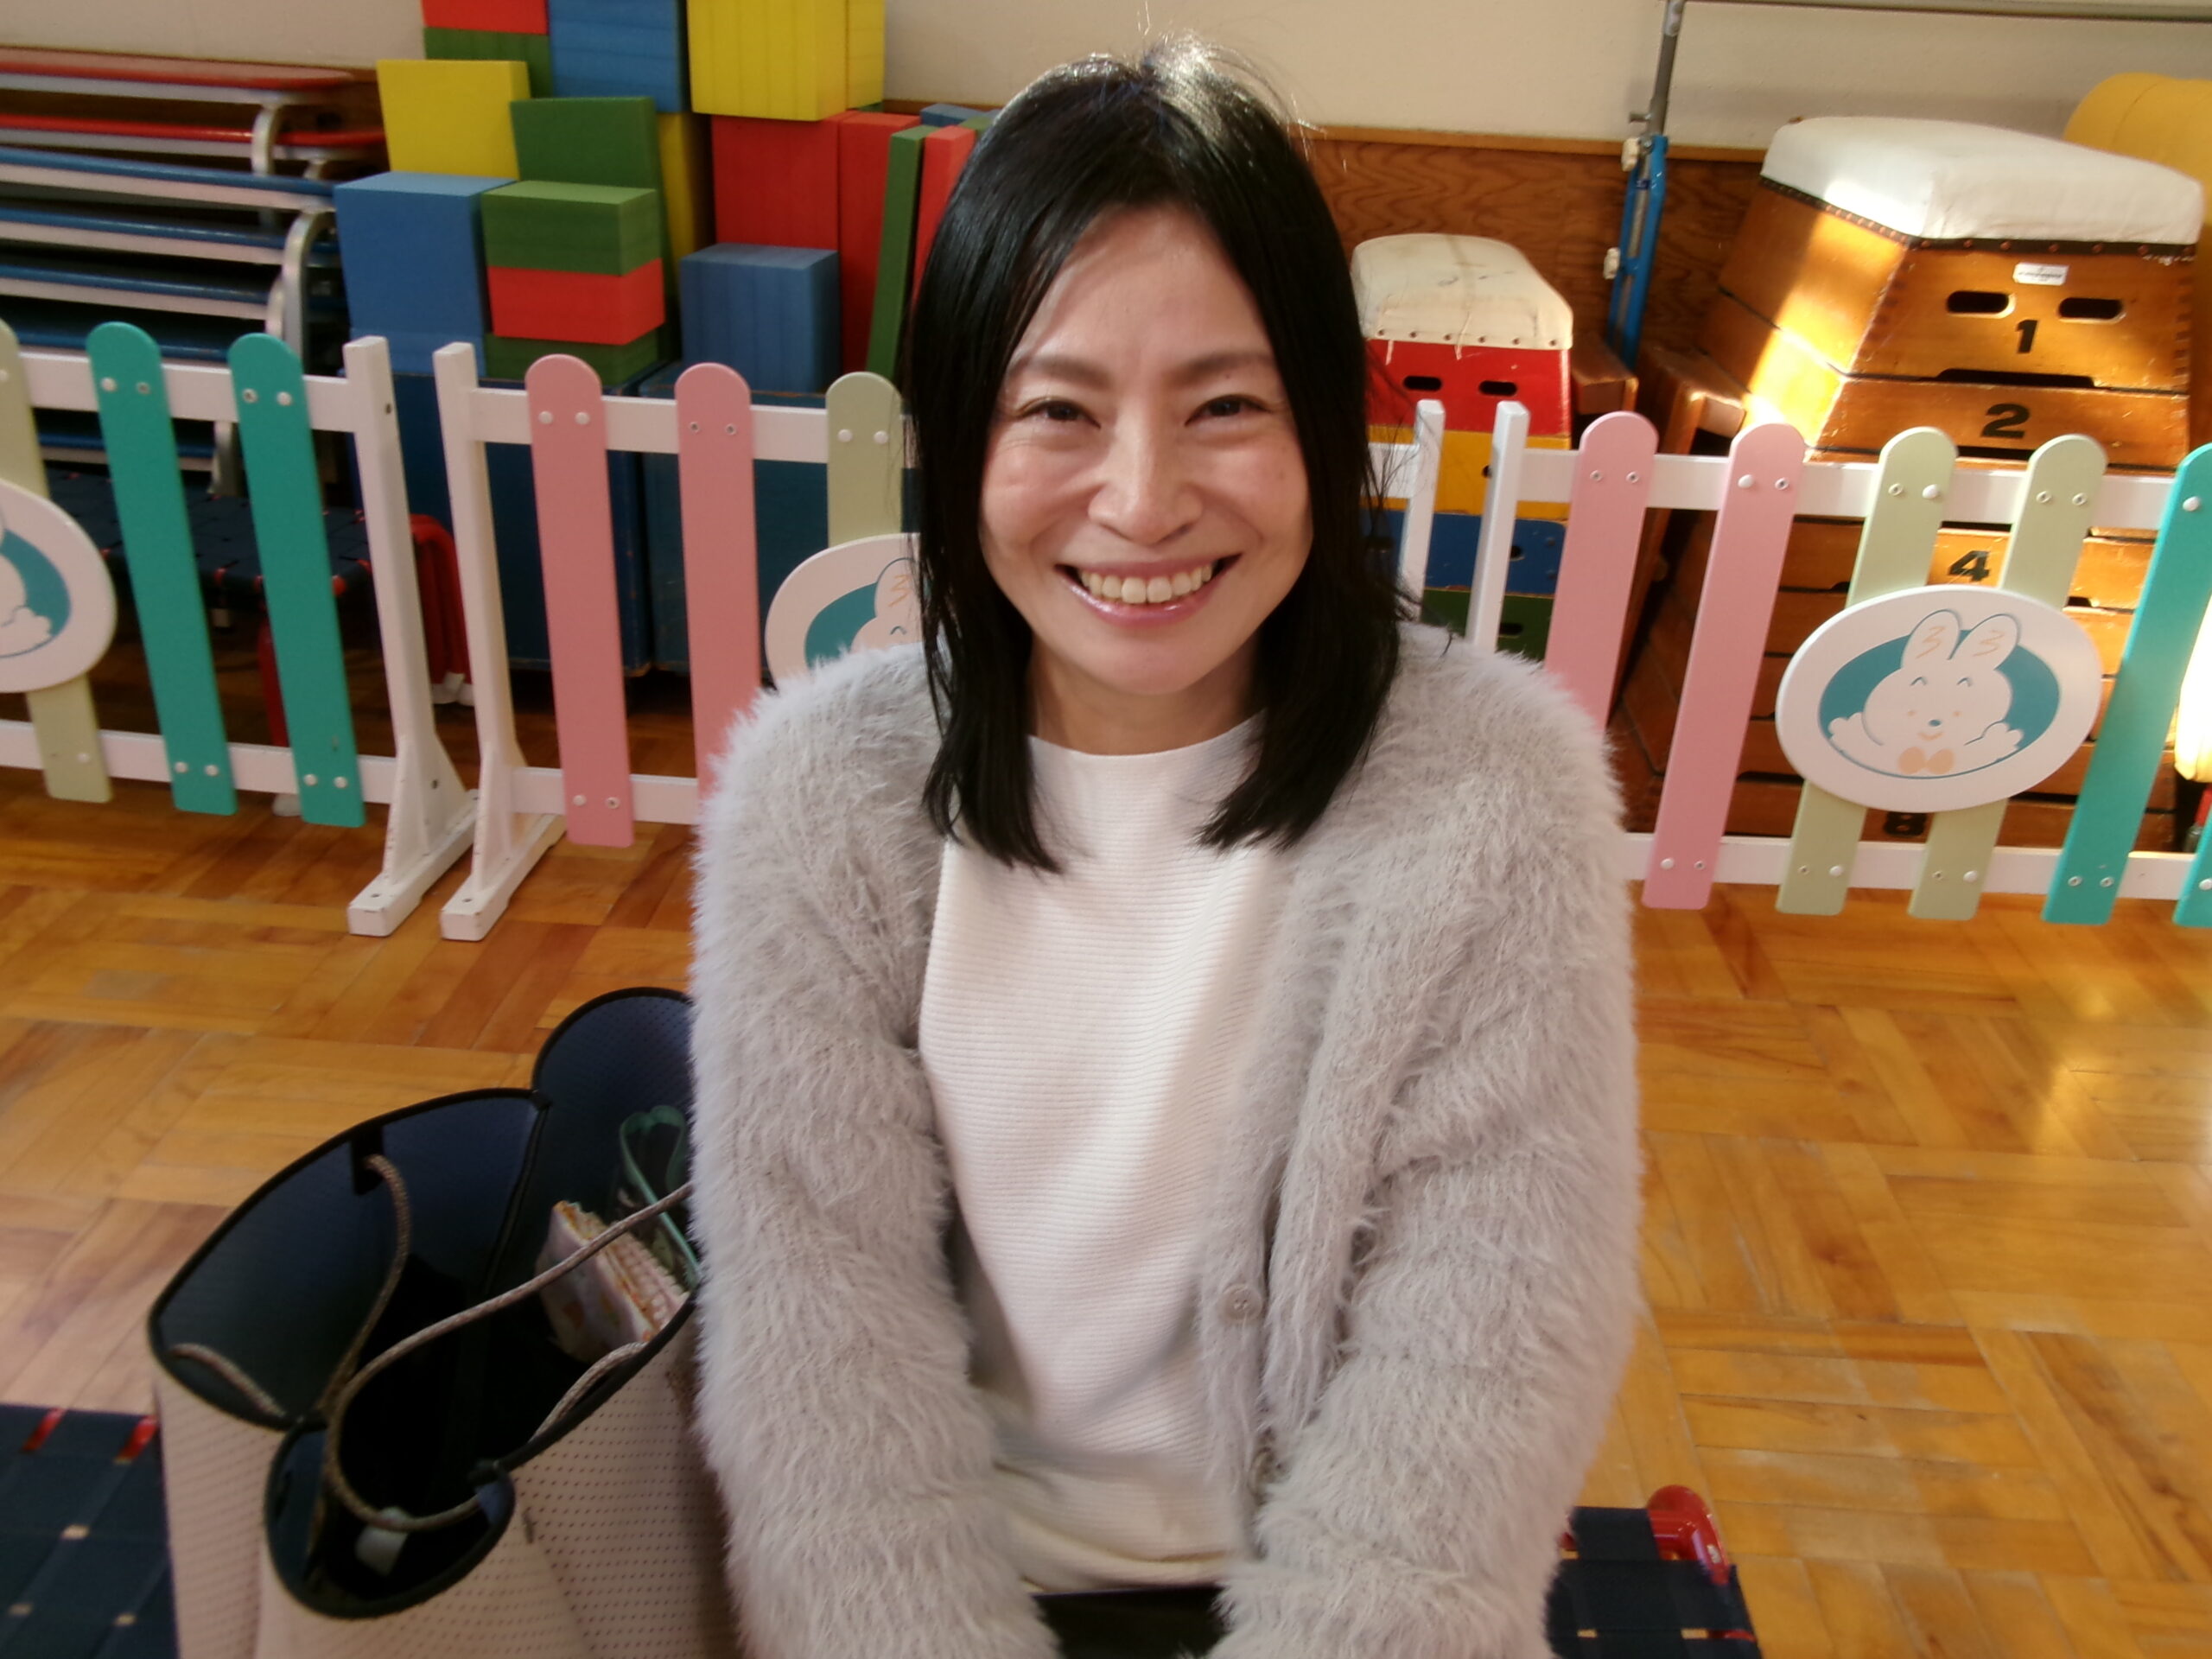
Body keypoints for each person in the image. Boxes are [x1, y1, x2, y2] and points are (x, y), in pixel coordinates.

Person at [688, 40, 1640, 1659]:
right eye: (1057, 409)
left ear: (1324, 430)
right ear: (959, 439)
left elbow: (1485, 1343)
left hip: (1321, 1587)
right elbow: (814, 1330)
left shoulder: (1493, 792)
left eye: (1226, 407)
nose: (1142, 501)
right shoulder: (822, 799)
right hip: (944, 1586)